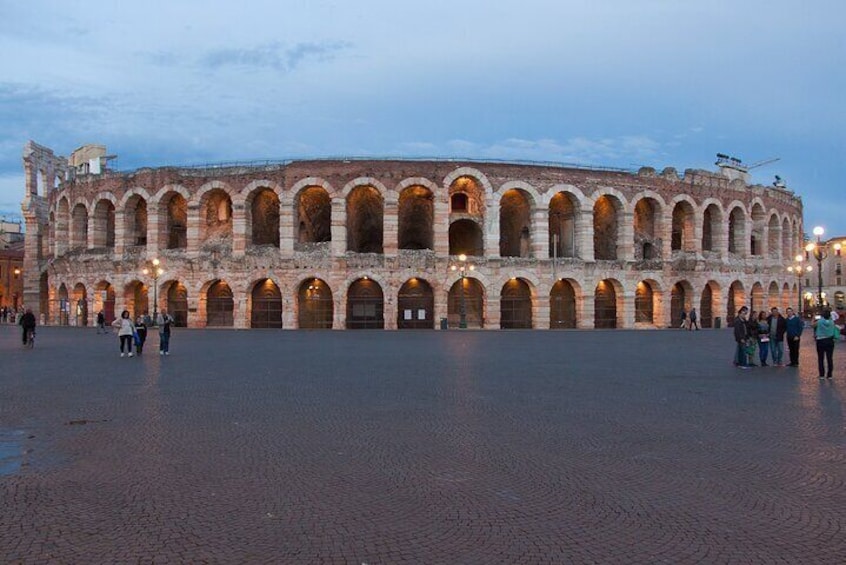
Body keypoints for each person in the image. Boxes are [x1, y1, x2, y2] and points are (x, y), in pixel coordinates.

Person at [813, 308, 839, 379]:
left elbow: (812, 325)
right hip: (830, 341)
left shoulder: (819, 321)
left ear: (822, 315)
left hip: (821, 341)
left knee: (821, 358)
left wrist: (814, 317)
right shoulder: (832, 322)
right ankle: (830, 375)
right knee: (829, 358)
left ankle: (822, 375)